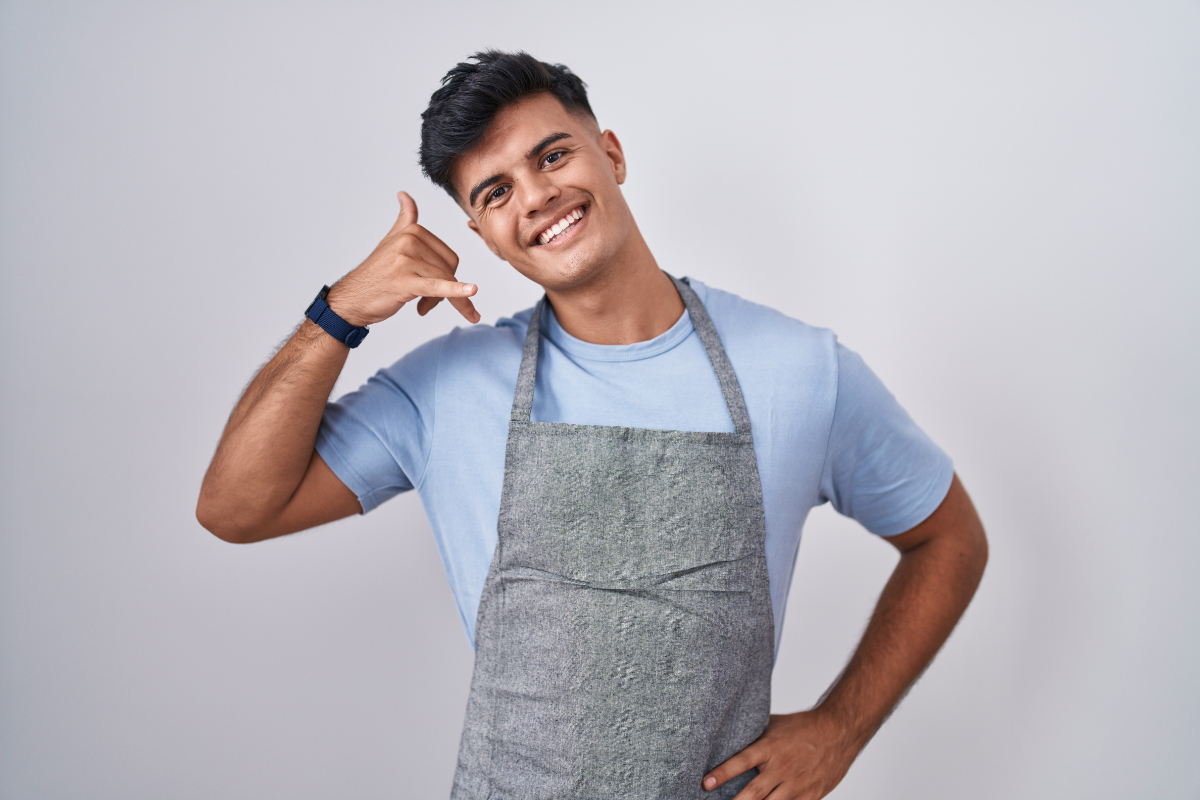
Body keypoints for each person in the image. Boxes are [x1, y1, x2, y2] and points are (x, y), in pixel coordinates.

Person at [197, 50, 988, 800]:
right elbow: (237, 508)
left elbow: (949, 539)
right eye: (495, 192)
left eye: (552, 156)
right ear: (481, 236)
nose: (536, 196)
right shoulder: (445, 390)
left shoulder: (801, 368)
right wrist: (338, 313)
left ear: (611, 154)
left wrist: (841, 729)